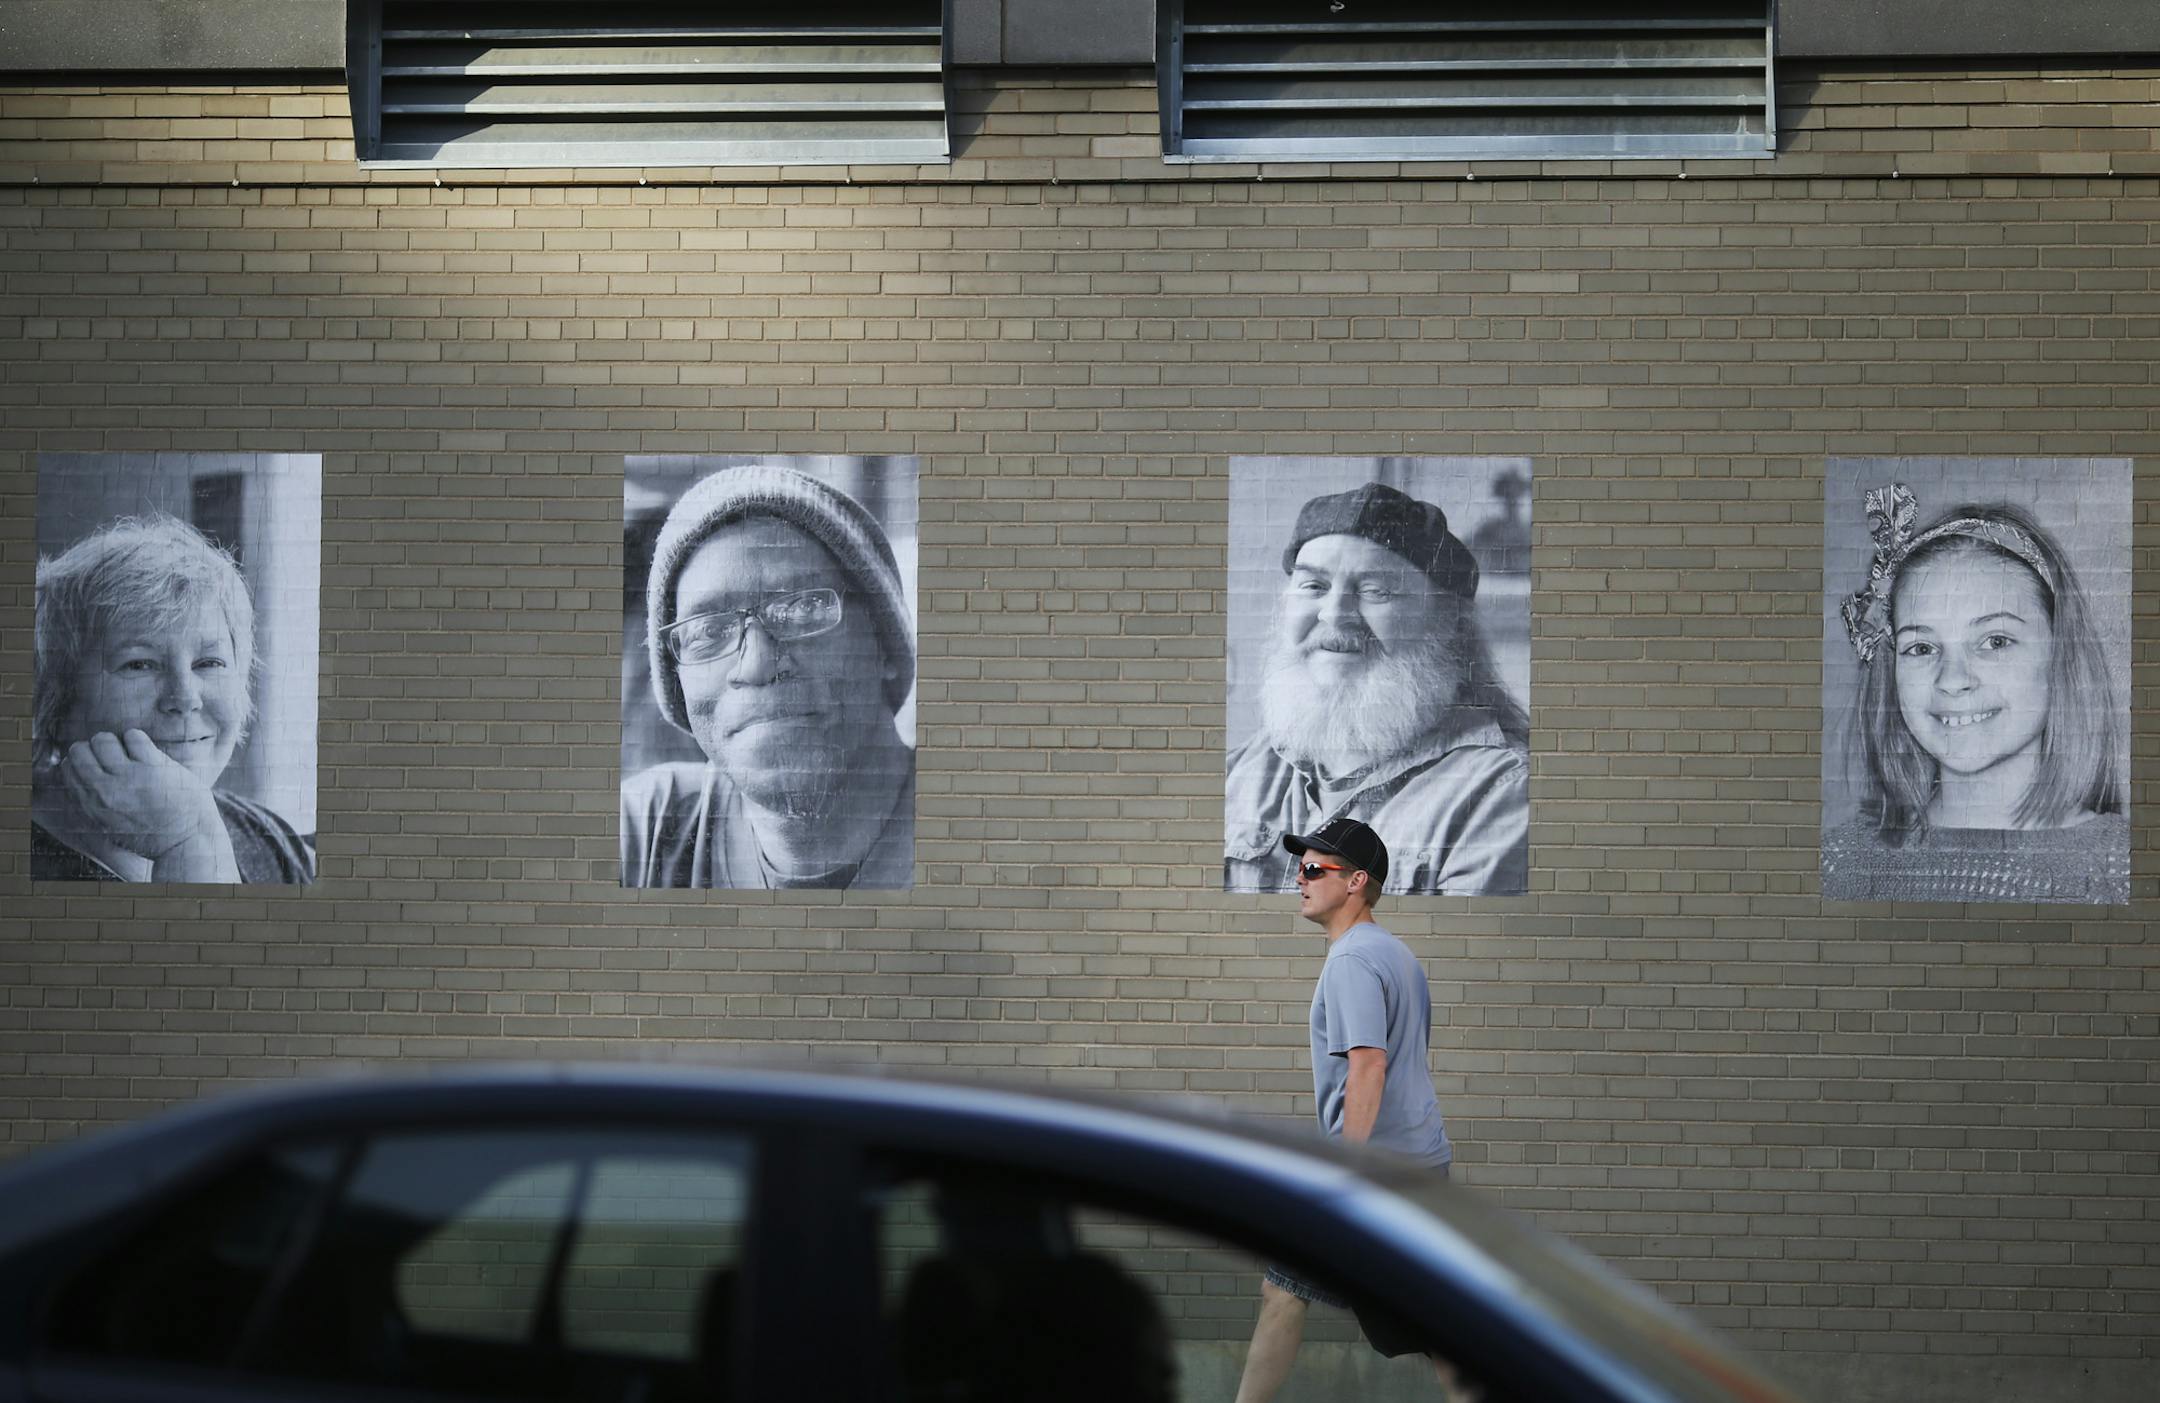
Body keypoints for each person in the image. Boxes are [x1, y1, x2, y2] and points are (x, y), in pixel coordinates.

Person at [1233, 818, 1474, 1403]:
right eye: (1300, 867)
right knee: (1432, 1325)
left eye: (1316, 869)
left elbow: (1369, 1066)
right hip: (1417, 1164)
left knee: (1284, 1293)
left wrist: (1347, 1169)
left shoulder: (1352, 961)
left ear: (1356, 881)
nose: (1301, 878)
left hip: (1376, 1173)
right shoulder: (1394, 954)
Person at [1825, 484, 2128, 903]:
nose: (1952, 679)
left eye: (1995, 641)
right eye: (1921, 648)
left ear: (2060, 653)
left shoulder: (2122, 867)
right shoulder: (1841, 863)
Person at [1226, 481, 1529, 895]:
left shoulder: (1500, 795)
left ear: (1447, 625)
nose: (1335, 614)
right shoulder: (1239, 773)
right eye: (1314, 586)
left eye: (1376, 591)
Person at [621, 463, 915, 889]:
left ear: (883, 642)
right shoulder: (645, 833)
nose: (757, 665)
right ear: (678, 686)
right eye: (709, 631)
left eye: (803, 608)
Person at [32, 515, 314, 884]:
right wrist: (187, 844)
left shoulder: (267, 839)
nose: (184, 697)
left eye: (209, 662)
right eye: (139, 664)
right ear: (57, 697)